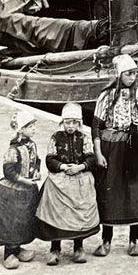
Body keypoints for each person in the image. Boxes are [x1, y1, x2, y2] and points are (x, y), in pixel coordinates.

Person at [92, 54, 138, 257]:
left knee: (134, 189)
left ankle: (134, 239)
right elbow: (96, 126)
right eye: (128, 73)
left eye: (135, 73)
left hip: (134, 145)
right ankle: (106, 240)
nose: (132, 77)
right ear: (119, 75)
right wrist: (98, 152)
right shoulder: (106, 96)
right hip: (111, 145)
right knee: (110, 190)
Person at [35, 103, 100, 265]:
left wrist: (80, 167)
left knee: (79, 213)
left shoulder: (84, 138)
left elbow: (91, 158)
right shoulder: (55, 137)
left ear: (79, 123)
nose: (70, 126)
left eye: (74, 122)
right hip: (60, 181)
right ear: (62, 122)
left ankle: (78, 247)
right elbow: (50, 160)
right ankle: (55, 248)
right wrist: (63, 166)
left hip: (79, 180)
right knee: (57, 213)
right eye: (67, 122)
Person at [0, 110, 41, 269]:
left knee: (24, 219)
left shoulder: (32, 145)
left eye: (34, 126)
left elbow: (36, 160)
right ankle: (9, 253)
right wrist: (23, 180)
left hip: (29, 188)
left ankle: (17, 248)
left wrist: (37, 171)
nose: (34, 129)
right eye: (30, 126)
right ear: (21, 129)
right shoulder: (13, 149)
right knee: (11, 221)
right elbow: (9, 171)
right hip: (14, 190)